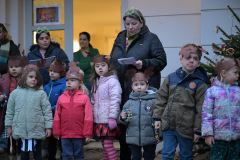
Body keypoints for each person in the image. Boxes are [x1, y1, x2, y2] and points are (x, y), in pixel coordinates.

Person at [110, 7, 167, 159]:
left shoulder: (151, 38)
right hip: (124, 89)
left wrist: (145, 63)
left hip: (144, 91)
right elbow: (113, 58)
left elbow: (161, 61)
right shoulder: (120, 38)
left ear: (141, 23)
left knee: (145, 129)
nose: (130, 27)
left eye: (133, 23)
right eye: (127, 24)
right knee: (127, 127)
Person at [153, 44, 209, 160]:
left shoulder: (200, 84)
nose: (191, 61)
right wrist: (157, 117)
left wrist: (197, 130)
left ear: (199, 63)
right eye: (188, 58)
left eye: (195, 59)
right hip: (168, 124)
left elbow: (201, 109)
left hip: (187, 127)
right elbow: (161, 98)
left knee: (186, 155)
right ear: (181, 60)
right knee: (167, 154)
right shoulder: (171, 78)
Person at [5, 64, 53, 160]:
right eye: (31, 77)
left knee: (37, 154)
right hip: (21, 129)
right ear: (24, 77)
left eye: (36, 78)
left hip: (37, 129)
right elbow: (10, 111)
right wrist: (9, 126)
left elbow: (47, 111)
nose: (34, 79)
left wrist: (48, 127)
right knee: (23, 154)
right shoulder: (15, 94)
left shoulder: (41, 94)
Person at [53, 61, 93, 160]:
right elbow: (57, 116)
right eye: (67, 80)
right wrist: (57, 131)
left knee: (79, 154)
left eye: (73, 80)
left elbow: (88, 116)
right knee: (66, 155)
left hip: (79, 134)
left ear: (80, 83)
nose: (69, 82)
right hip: (64, 134)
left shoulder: (84, 98)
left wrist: (87, 133)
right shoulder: (61, 98)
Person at [202, 58, 240, 160]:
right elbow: (206, 114)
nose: (238, 75)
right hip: (218, 138)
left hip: (236, 137)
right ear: (224, 73)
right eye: (235, 72)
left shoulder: (238, 91)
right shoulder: (212, 92)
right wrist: (208, 134)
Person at [119, 67, 158, 160]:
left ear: (147, 86)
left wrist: (159, 134)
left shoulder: (153, 101)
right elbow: (124, 121)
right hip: (133, 137)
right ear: (132, 86)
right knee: (136, 157)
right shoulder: (129, 102)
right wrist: (123, 117)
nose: (139, 87)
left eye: (142, 84)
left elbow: (157, 117)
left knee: (149, 157)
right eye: (136, 84)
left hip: (149, 136)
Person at [90, 55, 122, 160]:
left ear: (109, 67)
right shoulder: (95, 81)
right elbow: (93, 101)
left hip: (109, 120)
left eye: (103, 65)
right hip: (99, 120)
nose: (100, 68)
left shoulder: (112, 81)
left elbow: (115, 99)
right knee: (104, 146)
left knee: (108, 145)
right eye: (97, 66)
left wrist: (113, 117)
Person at [0, 55, 27, 154]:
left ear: (22, 67)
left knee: (20, 130)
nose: (14, 69)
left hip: (22, 110)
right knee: (8, 129)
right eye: (11, 67)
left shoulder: (26, 79)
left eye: (16, 67)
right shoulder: (3, 80)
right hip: (8, 109)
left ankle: (20, 149)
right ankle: (8, 147)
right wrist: (1, 96)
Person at [43, 59, 66, 160]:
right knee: (50, 138)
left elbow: (63, 102)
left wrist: (51, 108)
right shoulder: (46, 86)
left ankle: (61, 154)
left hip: (60, 117)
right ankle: (51, 155)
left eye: (55, 71)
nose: (52, 73)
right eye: (50, 71)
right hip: (48, 117)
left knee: (60, 139)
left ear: (61, 73)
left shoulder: (64, 85)